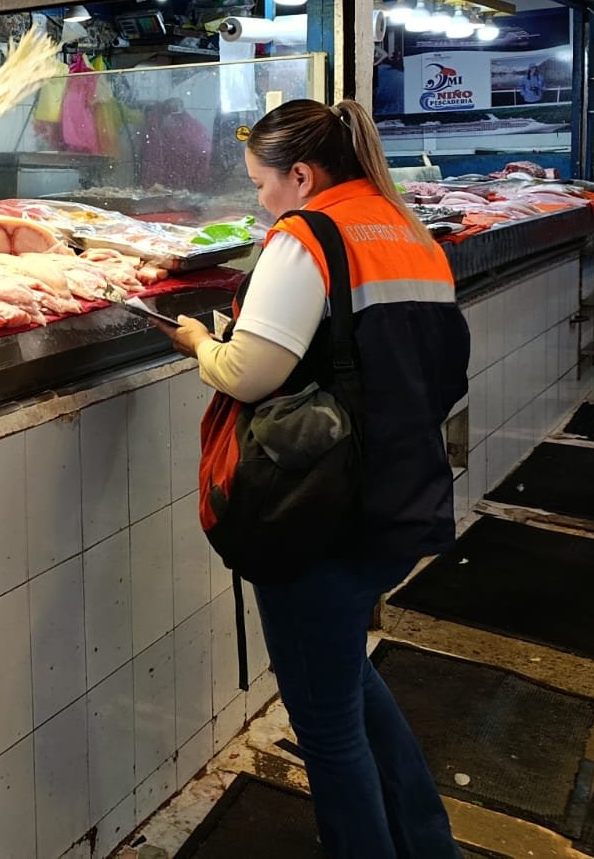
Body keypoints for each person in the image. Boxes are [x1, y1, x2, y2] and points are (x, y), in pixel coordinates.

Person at [159, 97, 468, 859]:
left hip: (323, 513)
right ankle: (428, 844)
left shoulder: (308, 236)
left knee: (327, 729)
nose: (261, 200)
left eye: (261, 184)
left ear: (300, 175)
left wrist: (199, 344)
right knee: (346, 678)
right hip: (401, 497)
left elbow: (249, 372)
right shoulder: (406, 229)